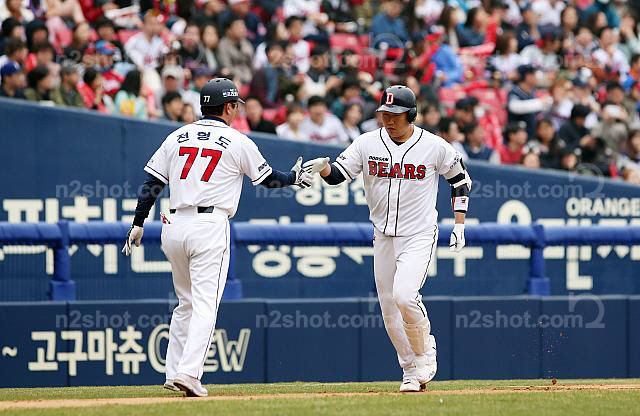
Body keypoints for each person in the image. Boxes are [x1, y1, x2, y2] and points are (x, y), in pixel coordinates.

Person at [121, 78, 315, 397]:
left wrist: (138, 222)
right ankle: (189, 374)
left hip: (172, 224)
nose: (237, 110)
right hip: (208, 224)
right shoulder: (236, 140)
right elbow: (267, 179)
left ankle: (174, 371)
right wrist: (295, 177)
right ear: (227, 107)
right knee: (205, 305)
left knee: (185, 302)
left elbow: (152, 182)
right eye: (235, 105)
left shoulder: (177, 135)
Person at [303, 85, 471, 392]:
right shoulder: (367, 142)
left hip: (418, 233)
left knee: (405, 296)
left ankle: (424, 352)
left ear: (411, 115)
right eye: (384, 113)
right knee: (389, 310)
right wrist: (324, 167)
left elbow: (460, 179)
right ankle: (409, 370)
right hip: (382, 234)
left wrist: (459, 224)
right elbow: (339, 174)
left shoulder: (433, 145)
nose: (388, 119)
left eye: (395, 115)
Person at [507, 64, 552, 138]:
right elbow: (514, 107)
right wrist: (540, 103)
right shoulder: (515, 91)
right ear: (527, 76)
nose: (536, 77)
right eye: (533, 74)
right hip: (517, 135)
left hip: (532, 134)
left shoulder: (532, 92)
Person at [217, 17, 254, 84]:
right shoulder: (223, 44)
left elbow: (251, 64)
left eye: (243, 27)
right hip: (234, 78)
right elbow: (226, 66)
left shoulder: (246, 43)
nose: (242, 30)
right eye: (238, 27)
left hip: (249, 77)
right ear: (229, 30)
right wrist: (238, 76)